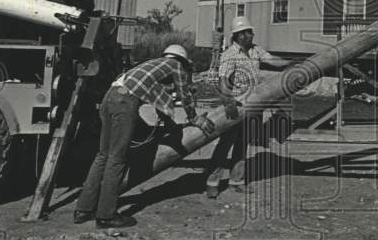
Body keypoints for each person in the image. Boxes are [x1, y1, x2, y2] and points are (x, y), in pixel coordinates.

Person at [75, 44, 210, 228]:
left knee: (103, 155)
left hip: (110, 98)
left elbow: (158, 101)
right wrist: (195, 118)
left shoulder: (150, 66)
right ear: (182, 61)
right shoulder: (176, 66)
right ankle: (106, 215)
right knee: (117, 158)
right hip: (124, 102)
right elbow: (184, 94)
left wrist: (169, 124)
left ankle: (83, 209)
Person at [207, 16, 292, 198]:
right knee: (225, 145)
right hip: (236, 105)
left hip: (253, 104)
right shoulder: (230, 54)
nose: (251, 35)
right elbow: (223, 80)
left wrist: (292, 63)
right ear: (239, 36)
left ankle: (237, 181)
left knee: (242, 144)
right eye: (248, 32)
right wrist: (228, 100)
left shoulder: (255, 50)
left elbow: (273, 60)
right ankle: (212, 182)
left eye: (251, 32)